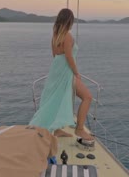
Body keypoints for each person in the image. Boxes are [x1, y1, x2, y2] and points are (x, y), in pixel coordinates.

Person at [29, 8, 94, 141]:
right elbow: (69, 57)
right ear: (69, 21)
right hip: (66, 73)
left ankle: (56, 129)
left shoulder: (55, 36)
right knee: (88, 97)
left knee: (55, 100)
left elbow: (55, 56)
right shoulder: (68, 36)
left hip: (56, 72)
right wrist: (76, 73)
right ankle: (80, 129)